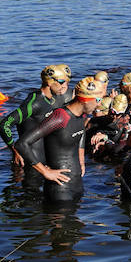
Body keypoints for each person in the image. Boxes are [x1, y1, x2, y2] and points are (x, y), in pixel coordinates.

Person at [16, 75, 106, 204]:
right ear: (85, 100)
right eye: (98, 100)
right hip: (59, 188)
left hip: (77, 183)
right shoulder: (60, 117)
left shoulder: (81, 114)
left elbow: (80, 132)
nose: (100, 104)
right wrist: (45, 172)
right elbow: (22, 144)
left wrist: (81, 160)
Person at [0, 64, 70, 165]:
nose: (64, 86)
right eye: (61, 82)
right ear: (49, 82)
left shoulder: (49, 99)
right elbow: (3, 125)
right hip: (29, 161)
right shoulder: (33, 103)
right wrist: (14, 149)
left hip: (42, 160)